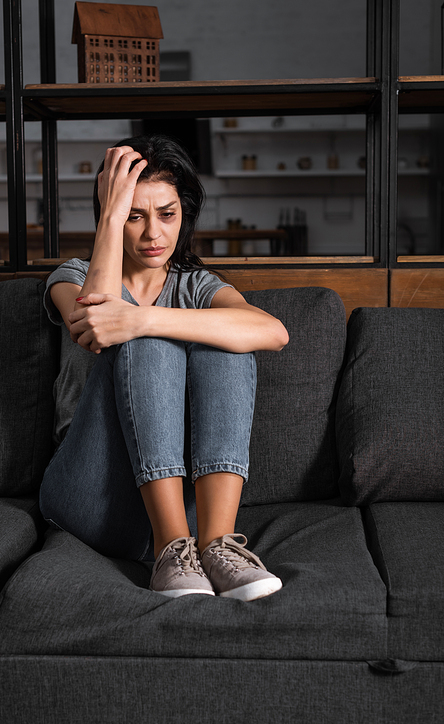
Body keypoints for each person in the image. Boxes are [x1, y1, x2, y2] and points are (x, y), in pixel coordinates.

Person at [39, 134, 289, 602]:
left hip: (188, 508)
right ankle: (170, 546)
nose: (153, 234)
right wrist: (110, 214)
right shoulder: (73, 275)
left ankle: (217, 545)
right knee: (147, 345)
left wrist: (144, 317)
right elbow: (96, 324)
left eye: (167, 214)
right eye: (135, 215)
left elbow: (273, 332)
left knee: (224, 342)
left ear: (184, 216)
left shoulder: (196, 286)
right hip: (92, 492)